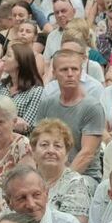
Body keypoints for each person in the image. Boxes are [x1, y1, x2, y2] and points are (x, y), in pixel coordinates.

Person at [34, 51, 104, 180]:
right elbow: (36, 143)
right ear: (54, 73)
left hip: (84, 177)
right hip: (48, 174)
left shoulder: (92, 107)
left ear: (81, 72)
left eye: (75, 69)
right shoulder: (47, 103)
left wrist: (61, 183)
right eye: (64, 70)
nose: (70, 74)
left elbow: (86, 154)